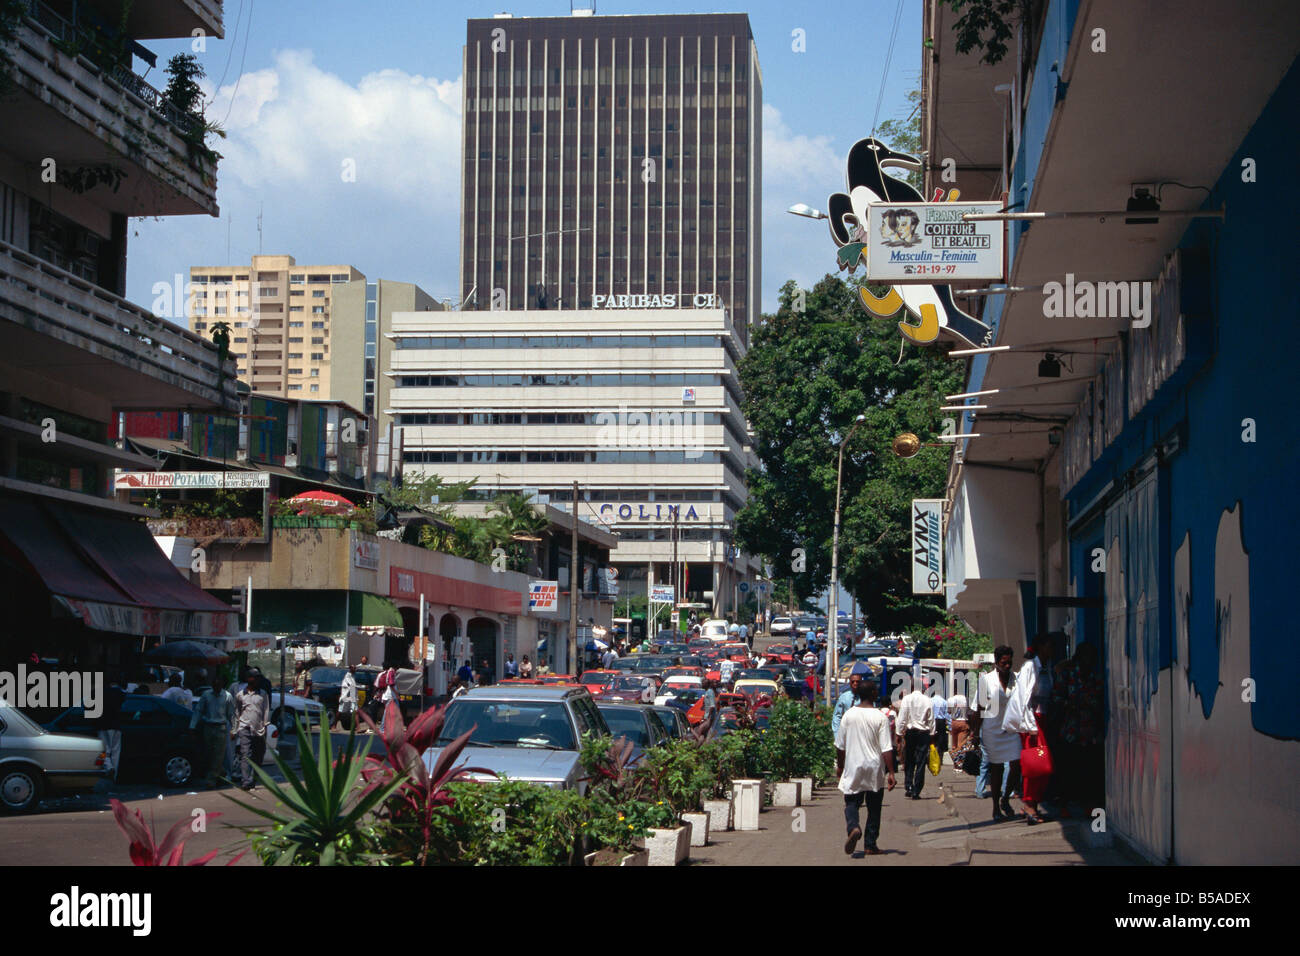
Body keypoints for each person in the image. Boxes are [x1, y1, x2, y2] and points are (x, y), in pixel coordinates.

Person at [835, 680, 896, 856]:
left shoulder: (849, 715)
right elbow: (886, 748)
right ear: (873, 694)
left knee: (851, 802)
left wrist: (840, 767)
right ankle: (870, 844)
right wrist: (891, 772)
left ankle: (853, 827)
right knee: (874, 807)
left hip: (854, 766)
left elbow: (840, 746)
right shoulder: (880, 717)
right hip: (875, 767)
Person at [1051, 642, 1104, 817]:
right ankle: (1064, 805)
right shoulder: (1067, 675)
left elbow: (1099, 699)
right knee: (1068, 770)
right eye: (1086, 657)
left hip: (1090, 733)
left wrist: (1090, 705)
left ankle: (1089, 806)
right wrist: (1069, 705)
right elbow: (1056, 697)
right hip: (1070, 732)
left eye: (1091, 657)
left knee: (1089, 771)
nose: (1089, 661)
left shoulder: (1095, 677)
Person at [1004, 636, 1053, 824]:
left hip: (1043, 720)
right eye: (1049, 645)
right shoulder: (1030, 668)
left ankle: (1033, 803)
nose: (1052, 650)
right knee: (1037, 765)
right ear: (1041, 647)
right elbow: (1023, 699)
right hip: (1032, 723)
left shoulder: (1046, 669)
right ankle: (1029, 804)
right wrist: (1030, 725)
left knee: (1042, 766)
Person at [971, 646, 1021, 821]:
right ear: (996, 662)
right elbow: (979, 708)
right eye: (1003, 663)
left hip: (1012, 729)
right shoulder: (987, 680)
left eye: (1009, 662)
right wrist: (975, 733)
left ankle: (1006, 798)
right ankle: (995, 808)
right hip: (991, 729)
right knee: (997, 768)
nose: (1007, 666)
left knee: (1017, 764)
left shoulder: (1016, 679)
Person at [894, 674, 935, 798]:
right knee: (921, 762)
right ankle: (917, 789)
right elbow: (931, 719)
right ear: (923, 688)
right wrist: (932, 735)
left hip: (911, 733)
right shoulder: (927, 700)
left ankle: (909, 786)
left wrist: (898, 733)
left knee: (909, 760)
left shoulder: (907, 699)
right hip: (923, 734)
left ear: (911, 687)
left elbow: (902, 717)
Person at [190, 675, 235, 786]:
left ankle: (211, 780)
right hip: (208, 727)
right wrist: (192, 726)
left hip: (221, 727)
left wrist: (234, 729)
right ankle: (221, 772)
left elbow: (231, 714)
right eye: (214, 685)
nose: (216, 687)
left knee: (218, 754)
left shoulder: (227, 696)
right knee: (209, 754)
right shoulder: (206, 695)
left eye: (218, 685)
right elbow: (198, 711)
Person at [234, 673, 271, 790]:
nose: (255, 680)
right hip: (245, 727)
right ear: (248, 679)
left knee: (258, 756)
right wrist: (235, 728)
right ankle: (246, 781)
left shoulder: (263, 694)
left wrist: (265, 725)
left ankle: (253, 780)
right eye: (253, 677)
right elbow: (237, 712)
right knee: (246, 754)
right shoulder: (240, 695)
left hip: (259, 729)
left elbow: (266, 710)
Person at [93, 673, 126, 783]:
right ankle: (114, 776)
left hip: (103, 725)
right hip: (117, 725)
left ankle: (108, 767)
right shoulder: (118, 693)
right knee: (116, 752)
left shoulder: (97, 693)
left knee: (104, 750)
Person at [831, 669, 865, 738]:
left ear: (861, 683)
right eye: (853, 682)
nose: (855, 683)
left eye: (857, 682)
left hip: (862, 734)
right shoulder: (844, 697)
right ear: (849, 683)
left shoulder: (866, 697)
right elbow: (837, 716)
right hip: (847, 733)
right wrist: (837, 735)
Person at [931, 691, 949, 769]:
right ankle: (940, 758)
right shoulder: (944, 701)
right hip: (941, 721)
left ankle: (932, 757)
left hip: (933, 720)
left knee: (932, 738)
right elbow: (947, 714)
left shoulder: (930, 700)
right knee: (941, 739)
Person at [339, 664, 358, 732]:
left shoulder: (353, 676)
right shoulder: (348, 676)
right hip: (345, 696)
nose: (355, 669)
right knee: (340, 710)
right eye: (354, 668)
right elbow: (352, 685)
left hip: (351, 694)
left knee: (355, 710)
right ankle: (334, 725)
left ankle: (357, 727)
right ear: (350, 669)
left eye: (355, 668)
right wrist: (362, 686)